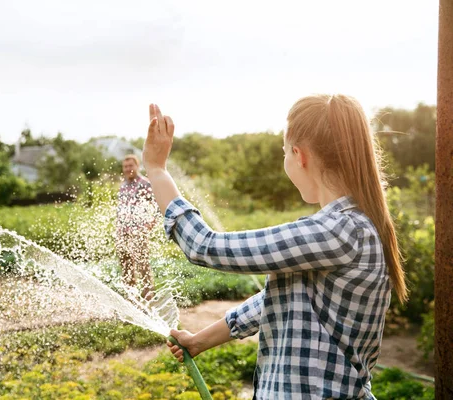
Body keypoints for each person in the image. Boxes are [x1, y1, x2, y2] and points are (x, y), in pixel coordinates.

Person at [142, 96, 407, 399]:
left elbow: (204, 246)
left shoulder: (338, 232)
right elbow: (277, 299)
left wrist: (156, 169)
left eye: (284, 153)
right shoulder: (348, 229)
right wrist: (201, 340)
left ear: (299, 155)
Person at [116, 154, 156, 300]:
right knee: (126, 264)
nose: (127, 169)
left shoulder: (145, 183)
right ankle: (131, 297)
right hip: (122, 231)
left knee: (142, 264)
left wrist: (149, 223)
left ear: (137, 166)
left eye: (130, 166)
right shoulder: (123, 185)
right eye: (125, 166)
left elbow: (156, 205)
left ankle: (148, 297)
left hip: (139, 230)